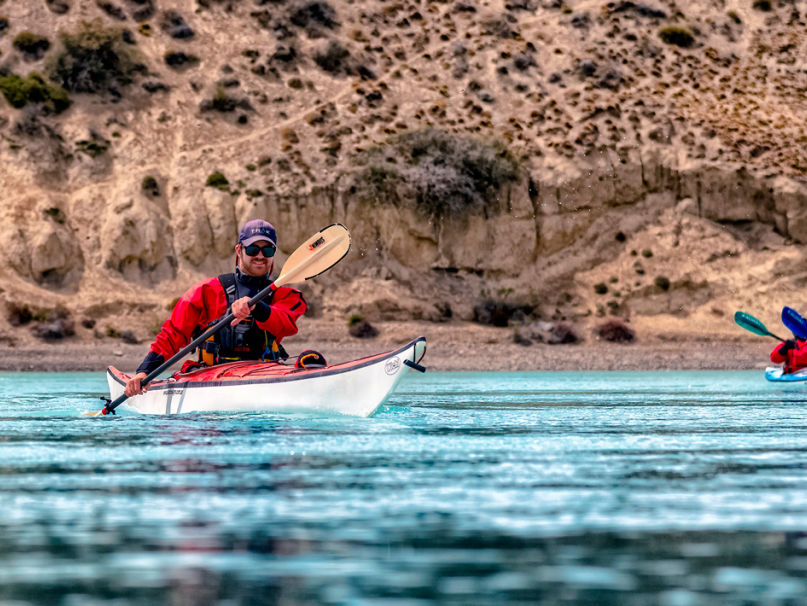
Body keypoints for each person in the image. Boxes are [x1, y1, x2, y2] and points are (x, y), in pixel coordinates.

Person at [124, 219, 307, 396]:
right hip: (210, 375)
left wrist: (257, 308)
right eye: (252, 249)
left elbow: (286, 324)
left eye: (267, 250)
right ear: (239, 250)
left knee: (313, 359)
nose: (260, 256)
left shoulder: (285, 296)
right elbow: (173, 334)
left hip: (263, 373)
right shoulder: (206, 291)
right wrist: (144, 372)